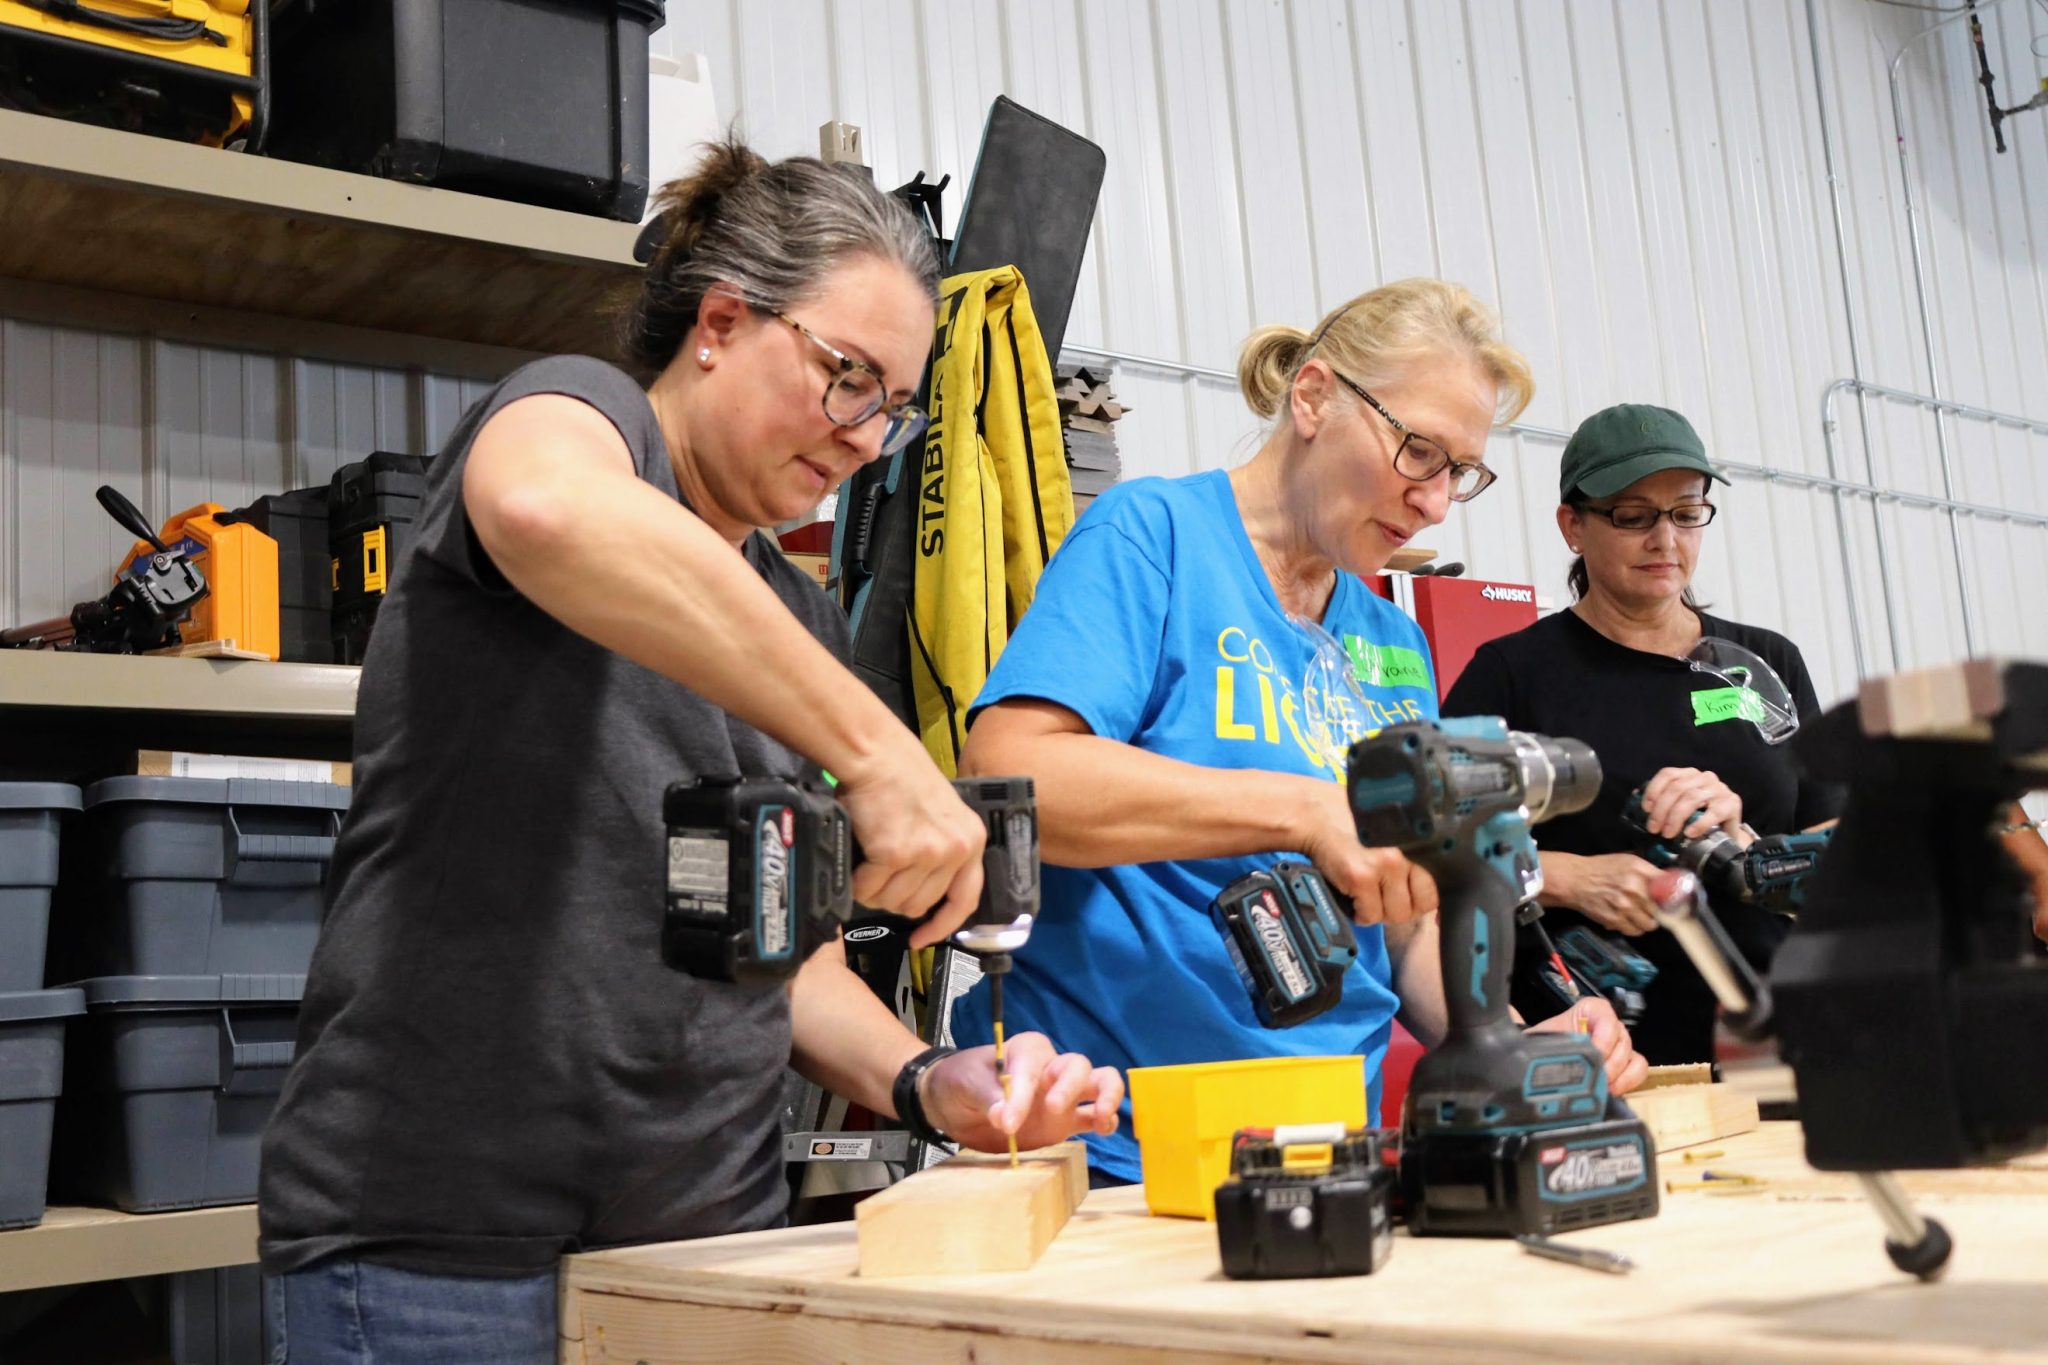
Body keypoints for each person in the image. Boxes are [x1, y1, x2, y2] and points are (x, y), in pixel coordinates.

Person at [256, 141, 1121, 1364]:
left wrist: (928, 1081)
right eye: (847, 379)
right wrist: (877, 752)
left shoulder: (795, 618)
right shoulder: (577, 414)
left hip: (701, 1240)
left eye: (894, 406)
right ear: (720, 321)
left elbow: (778, 953)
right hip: (441, 1243)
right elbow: (549, 510)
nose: (868, 439)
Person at [951, 281, 1645, 1186]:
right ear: (1315, 396)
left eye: (1459, 473)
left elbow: (1408, 921)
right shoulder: (1154, 536)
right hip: (1120, 1141)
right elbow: (1012, 773)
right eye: (1419, 451)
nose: (1436, 503)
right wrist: (1306, 808)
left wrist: (1503, 1039)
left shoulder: (1392, 641)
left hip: (1320, 1148)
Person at [1442, 403, 1842, 1066]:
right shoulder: (1511, 675)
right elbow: (1432, 864)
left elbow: (1842, 853)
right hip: (1601, 1054)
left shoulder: (1766, 663)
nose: (1665, 540)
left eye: (1686, 513)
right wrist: (1564, 877)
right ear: (1572, 524)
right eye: (1633, 516)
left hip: (1776, 1038)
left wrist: (1752, 853)